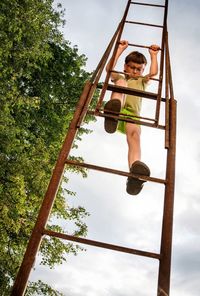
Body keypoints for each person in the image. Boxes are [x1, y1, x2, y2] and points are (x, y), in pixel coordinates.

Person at [104, 40, 160, 195]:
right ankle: (112, 113)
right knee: (120, 81)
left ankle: (135, 173)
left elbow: (154, 73)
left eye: (139, 69)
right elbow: (108, 68)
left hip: (133, 116)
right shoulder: (121, 75)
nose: (135, 71)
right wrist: (120, 49)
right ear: (125, 66)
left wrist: (153, 55)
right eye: (132, 67)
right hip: (118, 109)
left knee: (135, 136)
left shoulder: (141, 81)